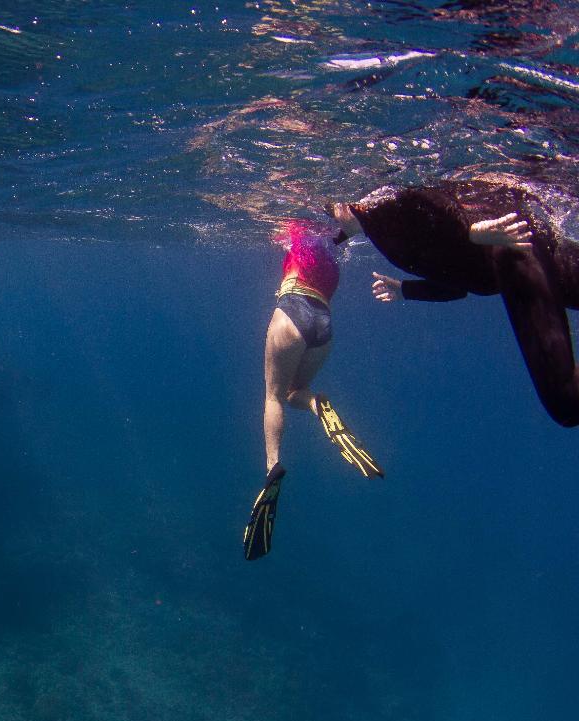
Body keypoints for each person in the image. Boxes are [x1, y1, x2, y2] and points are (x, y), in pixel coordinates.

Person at [327, 175, 579, 427]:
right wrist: (405, 289)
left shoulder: (377, 208)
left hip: (513, 249)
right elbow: (457, 286)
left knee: (566, 401)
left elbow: (424, 198)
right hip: (524, 250)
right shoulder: (376, 230)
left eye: (332, 211)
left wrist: (473, 232)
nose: (333, 220)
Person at [243, 222, 384, 561]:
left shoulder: (296, 228)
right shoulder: (334, 243)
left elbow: (275, 227)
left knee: (273, 396)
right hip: (323, 321)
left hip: (292, 307)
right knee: (296, 392)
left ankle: (272, 466)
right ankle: (318, 405)